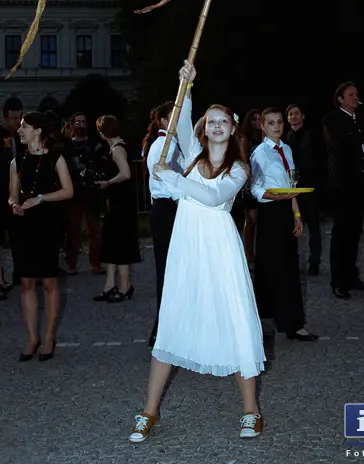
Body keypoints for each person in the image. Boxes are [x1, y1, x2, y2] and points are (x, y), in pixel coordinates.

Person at [129, 62, 265, 444]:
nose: (216, 125)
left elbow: (211, 195)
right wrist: (185, 86)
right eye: (211, 120)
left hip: (219, 249)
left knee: (236, 322)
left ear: (234, 127)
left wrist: (170, 177)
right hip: (187, 246)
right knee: (172, 319)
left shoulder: (238, 168)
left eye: (223, 121)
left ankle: (251, 411)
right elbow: (183, 115)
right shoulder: (190, 151)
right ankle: (149, 411)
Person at [10, 112, 73, 361]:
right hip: (24, 226)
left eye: (24, 126)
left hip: (48, 225)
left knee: (49, 282)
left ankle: (48, 337)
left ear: (37, 131)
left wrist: (41, 198)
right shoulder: (16, 161)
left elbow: (68, 191)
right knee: (26, 282)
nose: (19, 130)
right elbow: (12, 194)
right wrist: (14, 204)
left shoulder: (55, 158)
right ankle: (32, 337)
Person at [251, 107, 317, 342]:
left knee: (290, 266)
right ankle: (262, 322)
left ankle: (293, 323)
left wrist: (297, 215)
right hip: (270, 211)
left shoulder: (287, 148)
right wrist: (275, 197)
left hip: (286, 210)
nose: (277, 126)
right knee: (270, 267)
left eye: (279, 122)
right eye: (271, 123)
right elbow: (255, 188)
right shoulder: (260, 153)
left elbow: (292, 184)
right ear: (263, 126)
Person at [322, 83, 364, 299]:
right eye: (351, 95)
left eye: (357, 94)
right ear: (340, 99)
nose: (356, 97)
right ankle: (337, 281)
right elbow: (341, 147)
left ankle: (351, 276)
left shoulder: (358, 119)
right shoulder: (331, 119)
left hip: (359, 185)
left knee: (355, 232)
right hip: (342, 186)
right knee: (341, 234)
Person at [142, 101, 183, 346]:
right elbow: (169, 182)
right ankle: (163, 330)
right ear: (164, 122)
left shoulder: (171, 143)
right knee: (168, 272)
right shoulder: (162, 146)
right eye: (175, 117)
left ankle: (170, 328)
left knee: (177, 271)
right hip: (167, 209)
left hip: (169, 208)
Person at [93, 115, 141, 302]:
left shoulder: (117, 150)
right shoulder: (119, 147)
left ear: (103, 132)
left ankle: (124, 285)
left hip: (121, 203)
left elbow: (126, 174)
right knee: (111, 243)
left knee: (119, 244)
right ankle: (110, 284)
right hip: (120, 202)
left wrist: (108, 182)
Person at [0, 96, 24, 294]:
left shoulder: (20, 136)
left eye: (19, 118)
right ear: (4, 117)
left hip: (17, 196)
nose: (16, 122)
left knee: (18, 236)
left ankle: (19, 274)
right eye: (12, 118)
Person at [63, 112, 104, 275]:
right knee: (73, 232)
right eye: (77, 122)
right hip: (73, 195)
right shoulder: (66, 147)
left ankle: (96, 262)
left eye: (83, 121)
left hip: (90, 195)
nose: (80, 124)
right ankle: (71, 263)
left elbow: (100, 166)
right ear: (72, 124)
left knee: (94, 231)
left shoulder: (95, 145)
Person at [286, 103, 322, 275]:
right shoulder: (286, 137)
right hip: (292, 187)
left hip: (309, 185)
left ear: (303, 116)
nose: (293, 116)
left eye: (296, 113)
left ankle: (314, 262)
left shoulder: (312, 135)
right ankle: (293, 261)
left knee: (313, 226)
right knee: (292, 225)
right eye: (290, 114)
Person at [238, 109, 262, 266]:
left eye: (260, 119)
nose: (258, 122)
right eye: (254, 119)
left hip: (264, 182)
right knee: (252, 219)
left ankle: (257, 253)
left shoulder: (265, 138)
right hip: (250, 183)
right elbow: (243, 160)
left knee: (258, 219)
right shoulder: (245, 139)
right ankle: (248, 253)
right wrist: (251, 182)